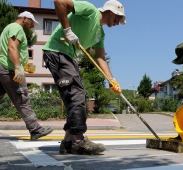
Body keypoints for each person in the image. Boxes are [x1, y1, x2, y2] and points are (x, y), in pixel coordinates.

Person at [42, 0, 125, 155]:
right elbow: (59, 2)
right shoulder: (90, 11)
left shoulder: (101, 34)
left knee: (73, 95)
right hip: (57, 51)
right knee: (76, 94)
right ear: (112, 11)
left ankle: (68, 141)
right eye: (119, 18)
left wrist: (112, 80)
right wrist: (67, 30)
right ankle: (79, 141)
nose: (118, 23)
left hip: (68, 56)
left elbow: (100, 58)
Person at [0, 11, 53, 140]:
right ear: (24, 19)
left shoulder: (9, 27)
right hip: (10, 71)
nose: (32, 26)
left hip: (3, 69)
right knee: (22, 99)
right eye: (31, 23)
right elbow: (12, 48)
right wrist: (18, 68)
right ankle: (35, 129)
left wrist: (23, 64)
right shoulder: (16, 28)